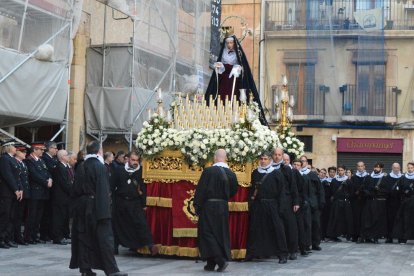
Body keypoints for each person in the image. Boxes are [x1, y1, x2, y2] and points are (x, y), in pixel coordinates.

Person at [69, 141, 127, 276]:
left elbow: (75, 190)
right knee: (105, 239)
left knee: (84, 238)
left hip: (82, 207)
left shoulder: (81, 166)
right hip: (96, 207)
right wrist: (105, 213)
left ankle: (85, 269)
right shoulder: (100, 167)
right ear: (99, 152)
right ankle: (112, 271)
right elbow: (103, 190)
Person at [205, 35, 267, 125]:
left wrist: (238, 68)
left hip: (235, 80)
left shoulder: (239, 54)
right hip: (224, 80)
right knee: (221, 98)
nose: (229, 45)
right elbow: (220, 67)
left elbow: (243, 66)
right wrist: (220, 66)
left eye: (231, 43)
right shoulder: (223, 53)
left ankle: (235, 116)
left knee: (234, 98)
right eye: (228, 43)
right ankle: (221, 115)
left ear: (234, 43)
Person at [194, 149, 238, 272]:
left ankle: (220, 260)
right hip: (223, 206)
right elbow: (234, 190)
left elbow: (201, 190)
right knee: (219, 234)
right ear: (225, 158)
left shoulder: (208, 171)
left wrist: (197, 205)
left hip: (209, 205)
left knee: (207, 233)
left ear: (215, 157)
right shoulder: (231, 173)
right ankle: (210, 264)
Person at [111, 151, 158, 255]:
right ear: (127, 159)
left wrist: (144, 204)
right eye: (133, 160)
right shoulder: (119, 170)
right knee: (118, 225)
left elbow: (144, 189)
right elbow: (112, 186)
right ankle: (114, 247)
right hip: (121, 202)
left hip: (135, 202)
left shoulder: (141, 172)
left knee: (141, 223)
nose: (135, 162)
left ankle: (150, 245)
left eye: (137, 160)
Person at [244, 152, 288, 264]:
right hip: (258, 205)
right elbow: (251, 190)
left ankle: (282, 254)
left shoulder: (277, 173)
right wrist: (251, 204)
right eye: (261, 159)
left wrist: (281, 208)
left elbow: (282, 192)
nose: (263, 161)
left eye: (265, 159)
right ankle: (252, 253)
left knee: (277, 230)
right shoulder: (255, 173)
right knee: (255, 229)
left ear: (270, 160)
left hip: (272, 205)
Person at [272, 148, 299, 260]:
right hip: (274, 201)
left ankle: (293, 250)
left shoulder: (287, 169)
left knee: (290, 226)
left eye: (279, 155)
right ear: (272, 156)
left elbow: (293, 186)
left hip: (287, 201)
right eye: (275, 154)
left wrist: (296, 202)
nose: (277, 156)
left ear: (282, 156)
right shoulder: (269, 169)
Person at [24, 142, 52, 244]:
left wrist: (50, 179)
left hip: (42, 192)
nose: (43, 151)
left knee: (39, 216)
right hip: (34, 192)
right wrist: (46, 182)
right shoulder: (29, 161)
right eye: (41, 149)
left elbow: (47, 172)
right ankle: (28, 236)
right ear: (34, 150)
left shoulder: (41, 161)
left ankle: (35, 236)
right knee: (32, 216)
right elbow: (34, 175)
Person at [299, 155, 325, 251]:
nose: (302, 163)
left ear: (307, 163)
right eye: (300, 161)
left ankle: (315, 243)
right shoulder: (297, 174)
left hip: (314, 203)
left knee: (315, 224)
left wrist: (321, 202)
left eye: (304, 161)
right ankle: (306, 244)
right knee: (305, 225)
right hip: (303, 203)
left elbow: (320, 190)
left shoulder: (312, 174)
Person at [0, 139, 22, 249]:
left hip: (14, 192)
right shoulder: (4, 159)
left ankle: (7, 238)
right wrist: (15, 189)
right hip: (7, 193)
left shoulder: (12, 159)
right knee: (5, 216)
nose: (15, 148)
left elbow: (17, 176)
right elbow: (8, 176)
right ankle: (1, 239)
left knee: (12, 216)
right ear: (8, 147)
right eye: (14, 146)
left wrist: (20, 189)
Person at [360, 162, 387, 243]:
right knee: (367, 219)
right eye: (375, 167)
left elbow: (387, 190)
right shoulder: (368, 177)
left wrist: (379, 191)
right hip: (369, 201)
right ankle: (366, 237)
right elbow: (363, 187)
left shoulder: (384, 178)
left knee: (376, 219)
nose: (376, 169)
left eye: (378, 167)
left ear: (381, 169)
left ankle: (375, 238)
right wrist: (366, 192)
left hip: (378, 202)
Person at [326, 165, 353, 242]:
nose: (340, 172)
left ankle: (348, 235)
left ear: (344, 171)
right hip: (336, 202)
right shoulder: (334, 180)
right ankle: (334, 235)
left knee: (347, 219)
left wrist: (347, 196)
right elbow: (331, 191)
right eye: (339, 170)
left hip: (345, 202)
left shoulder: (348, 181)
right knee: (335, 219)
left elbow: (351, 192)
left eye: (342, 170)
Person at [51, 150, 72, 245]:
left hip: (64, 196)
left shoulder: (64, 167)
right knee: (58, 217)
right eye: (67, 155)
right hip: (60, 197)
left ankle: (63, 235)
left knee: (63, 217)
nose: (69, 156)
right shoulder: (60, 168)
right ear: (62, 157)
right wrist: (73, 190)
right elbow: (64, 183)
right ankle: (57, 237)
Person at [39, 141, 58, 242]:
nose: (56, 150)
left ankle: (48, 233)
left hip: (52, 189)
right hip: (46, 189)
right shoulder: (45, 158)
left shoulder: (53, 159)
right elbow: (51, 171)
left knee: (49, 213)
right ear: (50, 148)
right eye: (55, 148)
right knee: (45, 213)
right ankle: (44, 234)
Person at [292, 159, 311, 256]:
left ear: (301, 166)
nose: (296, 166)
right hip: (291, 204)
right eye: (294, 164)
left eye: (298, 165)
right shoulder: (289, 175)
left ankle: (303, 248)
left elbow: (305, 191)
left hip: (300, 205)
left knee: (301, 226)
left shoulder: (304, 177)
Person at [13, 144, 30, 245]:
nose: (25, 154)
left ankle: (18, 236)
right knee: (16, 216)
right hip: (18, 193)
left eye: (25, 152)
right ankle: (16, 236)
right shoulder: (15, 162)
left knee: (20, 216)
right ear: (17, 152)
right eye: (23, 152)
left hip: (24, 193)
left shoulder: (22, 163)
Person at [392, 162, 414, 244]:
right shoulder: (403, 178)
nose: (410, 169)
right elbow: (399, 189)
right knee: (405, 219)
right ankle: (404, 238)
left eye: (411, 168)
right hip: (405, 201)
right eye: (408, 168)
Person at [349, 161, 369, 243]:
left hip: (365, 201)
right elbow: (351, 189)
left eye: (362, 166)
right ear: (357, 167)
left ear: (364, 167)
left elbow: (369, 189)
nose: (360, 168)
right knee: (356, 219)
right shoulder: (353, 178)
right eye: (359, 166)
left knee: (365, 218)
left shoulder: (368, 177)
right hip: (356, 201)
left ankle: (364, 235)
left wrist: (364, 192)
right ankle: (356, 235)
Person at [383, 163, 402, 243]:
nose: (396, 169)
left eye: (397, 168)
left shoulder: (403, 177)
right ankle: (389, 237)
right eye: (394, 167)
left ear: (400, 168)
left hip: (400, 202)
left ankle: (399, 237)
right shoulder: (387, 177)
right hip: (390, 202)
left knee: (399, 220)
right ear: (392, 168)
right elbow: (384, 188)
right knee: (389, 220)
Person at [321, 167, 336, 241]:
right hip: (327, 203)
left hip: (334, 203)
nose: (332, 173)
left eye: (333, 172)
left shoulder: (336, 181)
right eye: (330, 172)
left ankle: (333, 235)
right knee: (325, 219)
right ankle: (324, 235)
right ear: (328, 173)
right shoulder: (325, 182)